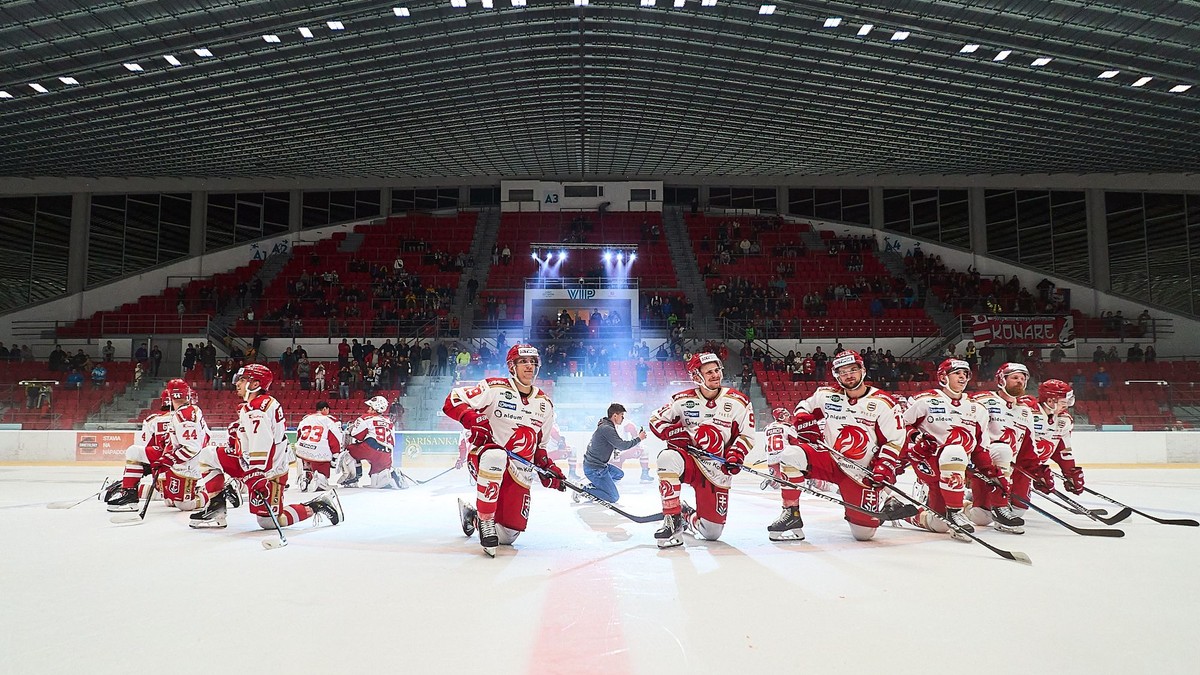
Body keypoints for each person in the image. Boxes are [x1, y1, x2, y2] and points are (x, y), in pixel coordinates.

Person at [443, 344, 562, 557]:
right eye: (523, 361)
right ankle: (486, 521)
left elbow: (540, 448)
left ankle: (473, 516)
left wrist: (548, 469)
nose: (529, 366)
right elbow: (452, 400)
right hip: (485, 457)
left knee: (507, 536)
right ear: (511, 366)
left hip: (519, 472)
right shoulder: (494, 388)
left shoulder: (545, 404)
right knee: (496, 455)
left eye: (533, 362)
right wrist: (473, 419)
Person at [190, 364, 342, 529]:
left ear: (255, 384)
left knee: (268, 521)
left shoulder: (256, 409)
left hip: (269, 471)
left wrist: (256, 476)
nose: (237, 384)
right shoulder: (261, 403)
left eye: (242, 380)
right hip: (253, 465)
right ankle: (216, 508)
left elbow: (262, 446)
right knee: (208, 455)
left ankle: (318, 505)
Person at [779, 350, 908, 542]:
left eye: (853, 369)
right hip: (830, 459)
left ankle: (910, 512)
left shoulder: (883, 402)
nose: (848, 375)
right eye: (842, 371)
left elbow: (895, 440)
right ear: (836, 375)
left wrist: (883, 467)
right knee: (791, 455)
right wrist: (806, 424)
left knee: (863, 534)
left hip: (860, 471)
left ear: (863, 370)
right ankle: (791, 514)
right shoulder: (826, 395)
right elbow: (803, 408)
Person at [647, 352, 754, 549]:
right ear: (696, 377)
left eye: (717, 370)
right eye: (708, 372)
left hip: (717, 471)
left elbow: (747, 436)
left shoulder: (739, 402)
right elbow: (655, 420)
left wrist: (736, 455)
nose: (715, 375)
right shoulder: (681, 400)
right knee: (667, 457)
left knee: (711, 532)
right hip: (690, 461)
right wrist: (672, 432)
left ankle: (686, 515)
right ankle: (672, 518)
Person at [899, 359, 998, 539]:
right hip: (928, 459)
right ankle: (902, 513)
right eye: (957, 373)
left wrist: (989, 472)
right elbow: (899, 427)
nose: (962, 377)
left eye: (965, 374)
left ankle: (960, 504)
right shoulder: (925, 400)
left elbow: (981, 447)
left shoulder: (977, 409)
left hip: (959, 465)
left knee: (949, 522)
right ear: (944, 376)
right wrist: (916, 438)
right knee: (941, 524)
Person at [964, 363, 1035, 533]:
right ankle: (997, 509)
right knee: (982, 516)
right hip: (984, 466)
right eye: (1015, 377)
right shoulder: (983, 400)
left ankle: (982, 503)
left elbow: (1028, 448)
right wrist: (968, 464)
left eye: (1023, 378)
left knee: (988, 516)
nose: (1020, 381)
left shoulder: (1026, 411)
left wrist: (1039, 473)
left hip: (1008, 469)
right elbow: (967, 429)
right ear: (1002, 380)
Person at [1010, 380, 1085, 515]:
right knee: (996, 508)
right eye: (1064, 402)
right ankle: (976, 499)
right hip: (1012, 466)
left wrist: (1070, 472)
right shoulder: (1026, 411)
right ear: (1051, 401)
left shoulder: (1064, 420)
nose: (1067, 405)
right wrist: (1036, 470)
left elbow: (1062, 450)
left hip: (1028, 469)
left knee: (1018, 510)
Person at [104, 389, 177, 510]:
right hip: (185, 468)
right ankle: (205, 494)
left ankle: (125, 489)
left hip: (163, 466)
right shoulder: (191, 418)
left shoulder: (152, 420)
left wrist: (144, 469)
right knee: (172, 500)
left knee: (168, 498)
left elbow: (143, 452)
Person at [574, 403, 647, 504]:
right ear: (615, 415)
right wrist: (639, 438)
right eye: (622, 415)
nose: (623, 418)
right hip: (595, 468)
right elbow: (622, 446)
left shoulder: (607, 426)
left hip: (598, 465)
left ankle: (596, 487)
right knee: (613, 497)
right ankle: (583, 490)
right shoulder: (607, 428)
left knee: (619, 474)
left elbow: (615, 445)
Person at [336, 396, 402, 488]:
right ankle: (381, 480)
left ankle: (352, 479)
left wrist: (350, 429)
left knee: (349, 451)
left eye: (370, 407)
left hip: (371, 448)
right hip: (387, 454)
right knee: (377, 473)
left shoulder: (366, 418)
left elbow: (356, 434)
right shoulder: (389, 422)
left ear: (374, 409)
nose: (368, 409)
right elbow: (393, 442)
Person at [294, 401, 344, 492]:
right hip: (319, 452)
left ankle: (305, 477)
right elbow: (335, 439)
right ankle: (321, 481)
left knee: (305, 460)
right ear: (325, 409)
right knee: (322, 461)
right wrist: (336, 454)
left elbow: (298, 434)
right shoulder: (329, 421)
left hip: (302, 450)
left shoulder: (305, 419)